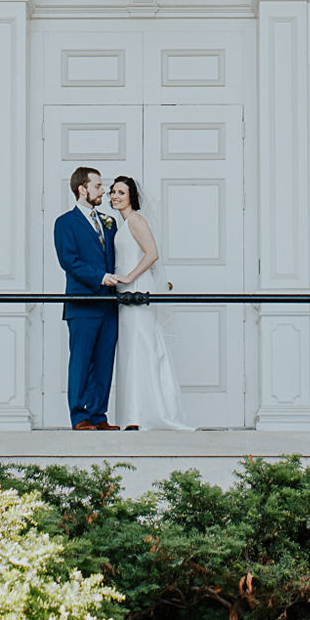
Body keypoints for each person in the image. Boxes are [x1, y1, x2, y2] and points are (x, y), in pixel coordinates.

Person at [102, 175, 195, 431]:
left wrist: (130, 277)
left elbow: (152, 253)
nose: (115, 196)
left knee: (141, 346)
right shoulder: (121, 224)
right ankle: (133, 415)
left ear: (132, 195)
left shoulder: (135, 220)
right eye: (112, 192)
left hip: (136, 290)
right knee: (132, 349)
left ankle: (142, 415)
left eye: (121, 192)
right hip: (124, 293)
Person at [52, 165, 119, 431]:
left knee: (104, 362)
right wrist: (101, 278)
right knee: (80, 362)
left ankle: (99, 415)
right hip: (82, 304)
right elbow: (69, 261)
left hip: (110, 304)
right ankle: (79, 416)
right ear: (82, 189)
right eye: (98, 186)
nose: (104, 191)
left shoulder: (109, 222)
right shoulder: (65, 223)